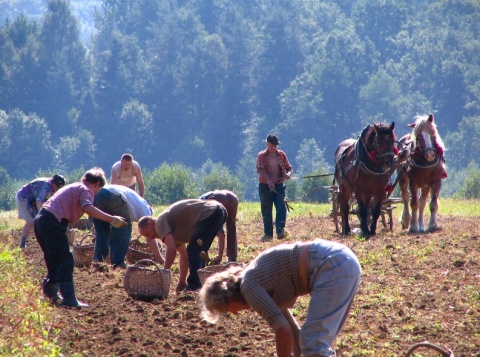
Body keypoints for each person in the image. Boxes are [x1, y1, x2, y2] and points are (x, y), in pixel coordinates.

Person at [199, 239, 361, 357]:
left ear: (227, 297)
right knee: (313, 343)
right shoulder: (258, 283)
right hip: (341, 262)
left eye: (227, 310)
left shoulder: (248, 286)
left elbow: (282, 332)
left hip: (332, 265)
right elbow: (293, 333)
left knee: (314, 343)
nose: (234, 313)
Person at [33, 168, 128, 307]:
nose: (95, 193)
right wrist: (112, 219)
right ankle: (69, 298)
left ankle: (50, 293)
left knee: (53, 258)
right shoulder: (86, 190)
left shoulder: (74, 186)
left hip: (41, 220)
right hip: (52, 221)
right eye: (98, 189)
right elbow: (88, 208)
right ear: (96, 184)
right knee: (65, 259)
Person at [138, 199, 227, 292]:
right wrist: (181, 281)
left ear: (150, 224)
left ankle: (194, 285)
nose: (151, 238)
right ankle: (200, 284)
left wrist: (164, 273)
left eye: (148, 234)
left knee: (194, 249)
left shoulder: (159, 223)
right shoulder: (171, 232)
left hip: (210, 212)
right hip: (218, 212)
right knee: (198, 252)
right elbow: (184, 256)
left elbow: (171, 250)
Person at [93, 184, 156, 269]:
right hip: (113, 196)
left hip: (97, 194)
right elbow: (150, 238)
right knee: (123, 228)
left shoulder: (138, 203)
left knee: (102, 232)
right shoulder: (146, 212)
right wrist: (159, 257)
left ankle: (98, 262)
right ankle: (117, 263)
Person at [256, 134, 293, 241]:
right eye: (272, 145)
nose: (274, 148)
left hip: (279, 186)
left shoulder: (281, 154)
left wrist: (288, 174)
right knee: (266, 210)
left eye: (275, 145)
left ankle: (280, 231)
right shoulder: (261, 155)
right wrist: (268, 181)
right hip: (265, 187)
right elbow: (260, 170)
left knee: (281, 207)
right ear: (267, 144)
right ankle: (268, 234)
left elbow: (289, 168)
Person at [16, 174, 66, 249]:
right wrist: (43, 214)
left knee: (38, 221)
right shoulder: (46, 186)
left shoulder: (52, 186)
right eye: (57, 186)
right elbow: (39, 201)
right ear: (54, 182)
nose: (57, 189)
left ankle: (43, 240)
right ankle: (22, 244)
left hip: (33, 199)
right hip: (23, 197)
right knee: (30, 221)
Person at [199, 190, 238, 262]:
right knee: (231, 226)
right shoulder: (202, 199)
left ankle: (205, 258)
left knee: (206, 230)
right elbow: (221, 234)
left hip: (217, 197)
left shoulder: (200, 204)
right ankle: (232, 257)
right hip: (233, 197)